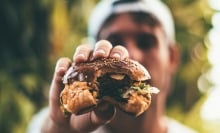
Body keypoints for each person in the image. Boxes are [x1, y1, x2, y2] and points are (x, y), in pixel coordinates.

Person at [27, 0, 197, 133]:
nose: (132, 56)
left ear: (172, 57)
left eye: (146, 42)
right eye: (114, 42)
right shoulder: (49, 127)